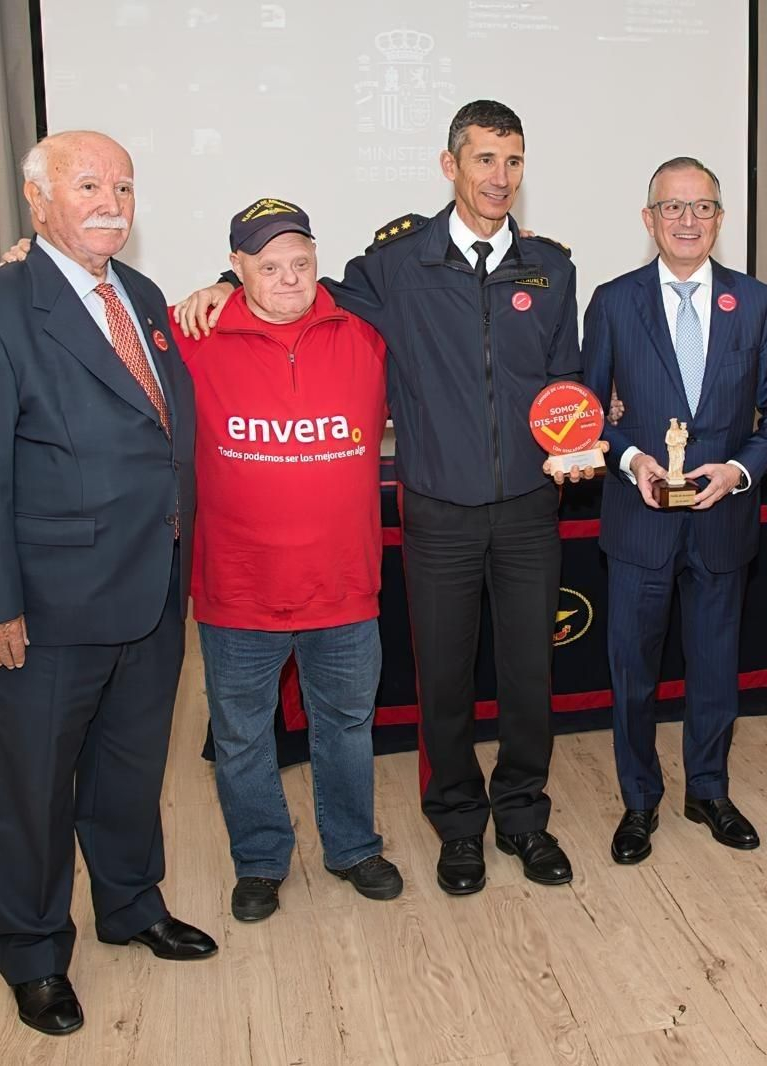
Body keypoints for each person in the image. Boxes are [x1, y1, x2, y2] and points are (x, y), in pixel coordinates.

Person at [176, 101, 582, 894]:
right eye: (484, 160)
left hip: (533, 510)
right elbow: (295, 287)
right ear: (450, 166)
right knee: (445, 681)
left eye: (513, 161)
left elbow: (563, 381)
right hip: (437, 511)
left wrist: (580, 438)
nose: (499, 178)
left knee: (531, 675)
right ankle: (458, 825)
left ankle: (525, 818)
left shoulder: (553, 267)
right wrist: (226, 282)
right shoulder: (396, 264)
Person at [0, 131, 215, 1039]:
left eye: (123, 184)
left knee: (129, 771)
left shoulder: (146, 296)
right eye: (88, 184)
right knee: (31, 788)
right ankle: (34, 951)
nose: (111, 200)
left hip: (152, 586)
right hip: (46, 604)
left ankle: (131, 905)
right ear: (37, 200)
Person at [182, 197, 402, 920]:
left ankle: (352, 847)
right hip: (238, 589)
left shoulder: (365, 332)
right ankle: (260, 860)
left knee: (346, 726)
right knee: (244, 736)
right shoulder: (196, 335)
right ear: (237, 268)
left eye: (300, 263)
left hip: (342, 586)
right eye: (267, 266)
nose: (287, 278)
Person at [578, 156, 767, 865]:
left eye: (702, 208)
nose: (688, 221)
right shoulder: (613, 302)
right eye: (673, 208)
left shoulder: (757, 303)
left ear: (720, 218)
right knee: (633, 670)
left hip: (722, 521)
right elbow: (586, 414)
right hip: (638, 521)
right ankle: (639, 801)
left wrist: (739, 471)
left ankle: (708, 789)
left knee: (713, 667)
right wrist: (630, 458)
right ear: (649, 220)